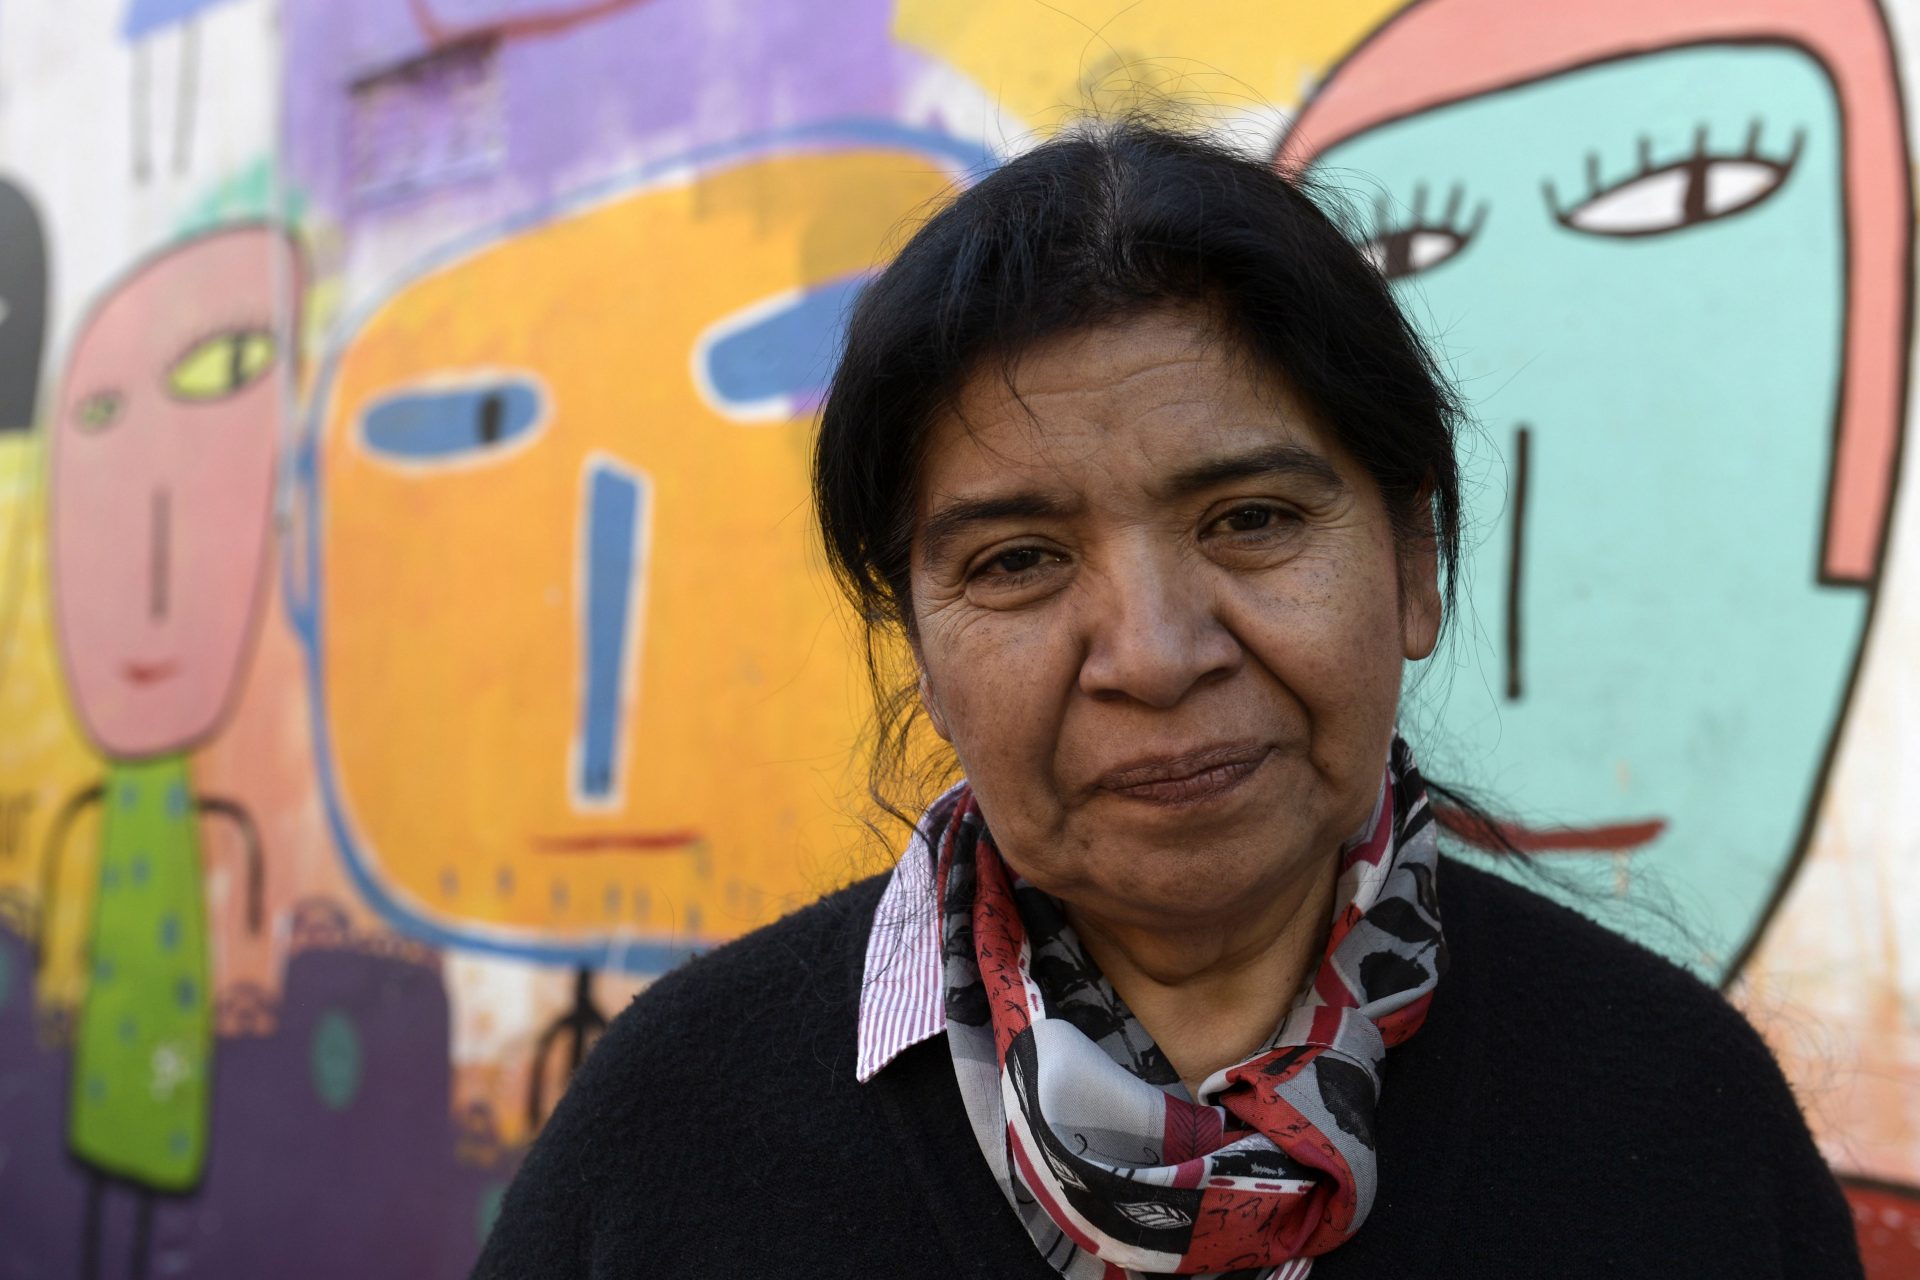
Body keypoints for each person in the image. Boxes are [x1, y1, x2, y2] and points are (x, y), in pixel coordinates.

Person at [474, 120, 1862, 1278]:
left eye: (1252, 520)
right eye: (1018, 562)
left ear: (1415, 566)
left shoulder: (1678, 1124)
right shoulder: (673, 1145)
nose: (1151, 652)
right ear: (918, 649)